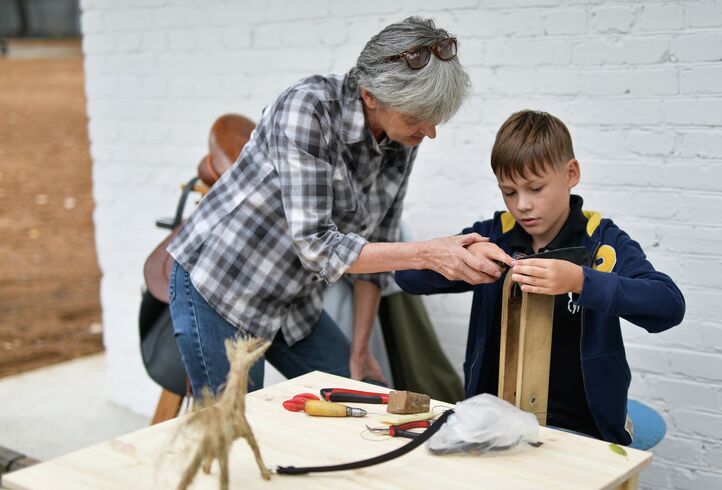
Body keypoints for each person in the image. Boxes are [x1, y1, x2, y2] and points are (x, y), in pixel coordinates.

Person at [167, 17, 514, 399]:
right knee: (231, 429)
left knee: (362, 396)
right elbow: (317, 246)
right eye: (417, 116)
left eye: (434, 117)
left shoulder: (401, 140)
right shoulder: (308, 107)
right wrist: (429, 254)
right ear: (370, 96)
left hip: (292, 300)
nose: (429, 131)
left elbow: (379, 242)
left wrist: (360, 348)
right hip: (222, 283)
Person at [395, 110, 685, 445]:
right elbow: (407, 278)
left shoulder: (602, 242)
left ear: (571, 174)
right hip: (496, 422)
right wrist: (462, 257)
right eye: (509, 192)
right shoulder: (493, 236)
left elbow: (668, 305)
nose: (523, 206)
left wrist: (581, 281)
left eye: (535, 188)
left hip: (584, 428)